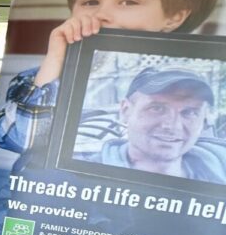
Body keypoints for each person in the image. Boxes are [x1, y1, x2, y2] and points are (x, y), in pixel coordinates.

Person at [0, 0, 219, 154]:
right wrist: (55, 61)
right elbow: (18, 140)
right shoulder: (41, 78)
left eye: (129, 2)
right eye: (90, 1)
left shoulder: (193, 87)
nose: (102, 13)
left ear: (175, 17)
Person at [75, 68, 226, 182]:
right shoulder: (81, 178)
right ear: (126, 111)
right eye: (157, 108)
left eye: (189, 112)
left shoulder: (218, 171)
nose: (173, 126)